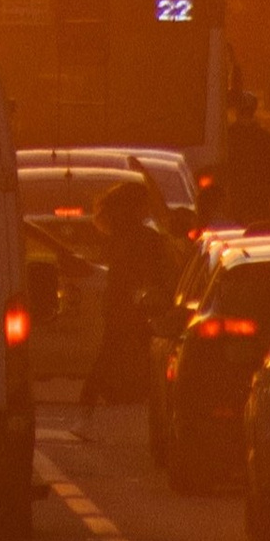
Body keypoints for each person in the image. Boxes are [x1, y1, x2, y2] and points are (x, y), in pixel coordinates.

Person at [80, 175, 169, 414]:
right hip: (131, 302)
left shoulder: (119, 235)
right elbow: (148, 271)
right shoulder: (143, 238)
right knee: (131, 346)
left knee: (115, 346)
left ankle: (101, 392)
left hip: (119, 301)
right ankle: (95, 392)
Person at [214, 87, 270, 227]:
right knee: (260, 231)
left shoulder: (228, 136)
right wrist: (269, 188)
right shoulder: (264, 137)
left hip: (238, 195)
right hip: (258, 196)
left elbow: (221, 164)